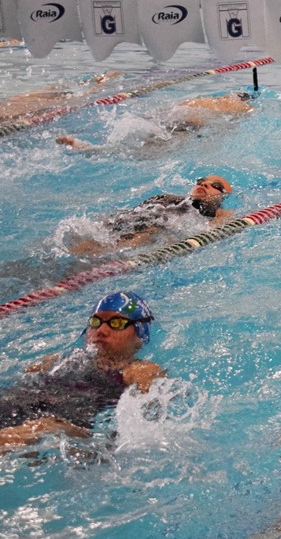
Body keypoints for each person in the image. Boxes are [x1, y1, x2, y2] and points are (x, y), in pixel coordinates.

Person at [0, 291, 164, 453]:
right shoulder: (55, 361)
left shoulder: (138, 370)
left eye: (116, 323)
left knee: (44, 426)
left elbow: (147, 425)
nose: (101, 330)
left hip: (63, 431)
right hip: (17, 412)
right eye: (95, 322)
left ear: (140, 335)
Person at [65, 174, 235, 256]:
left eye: (215, 185)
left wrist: (223, 216)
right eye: (201, 181)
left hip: (145, 234)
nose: (204, 184)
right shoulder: (167, 199)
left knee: (152, 231)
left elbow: (216, 228)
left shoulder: (217, 215)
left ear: (223, 196)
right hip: (131, 223)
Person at [55, 91, 254, 152]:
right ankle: (87, 148)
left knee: (131, 143)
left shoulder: (200, 99)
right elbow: (225, 128)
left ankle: (86, 147)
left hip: (166, 118)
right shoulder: (239, 107)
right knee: (142, 151)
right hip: (185, 127)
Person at [0, 72, 121, 123]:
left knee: (81, 97)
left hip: (19, 107)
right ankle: (103, 78)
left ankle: (107, 79)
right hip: (15, 105)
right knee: (57, 90)